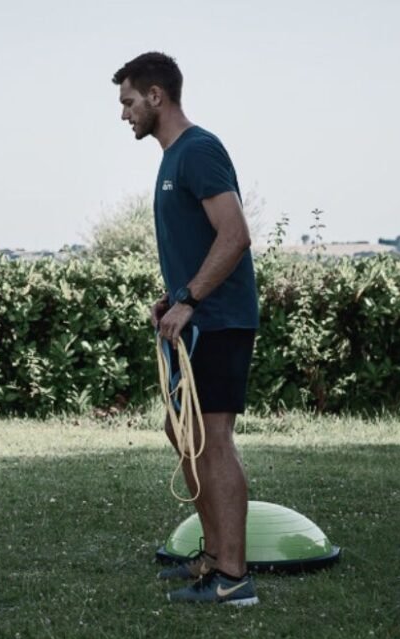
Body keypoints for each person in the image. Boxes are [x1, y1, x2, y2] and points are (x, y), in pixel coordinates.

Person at [113, 52, 260, 606]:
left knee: (213, 441)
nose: (124, 114)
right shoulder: (172, 158)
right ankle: (215, 557)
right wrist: (172, 298)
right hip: (196, 318)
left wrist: (193, 299)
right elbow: (201, 244)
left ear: (156, 96)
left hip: (219, 321)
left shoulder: (198, 150)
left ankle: (234, 578)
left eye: (128, 102)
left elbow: (235, 234)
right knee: (184, 433)